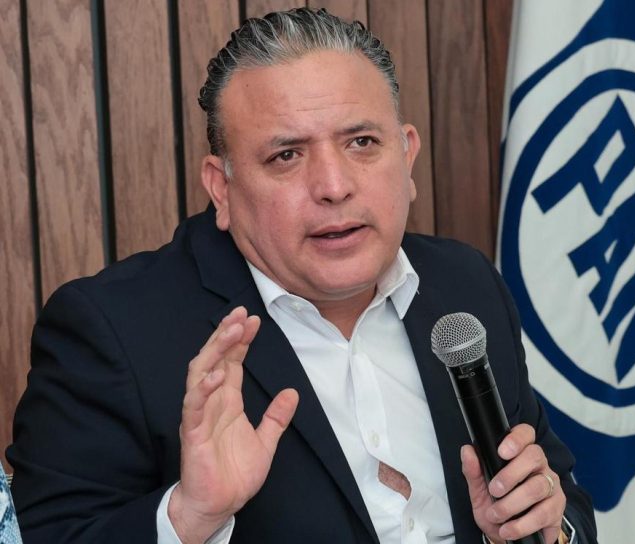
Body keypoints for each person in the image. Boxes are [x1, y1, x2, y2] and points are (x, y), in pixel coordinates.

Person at [7, 8, 596, 544]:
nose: (334, 186)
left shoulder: (463, 285)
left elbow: (560, 494)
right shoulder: (113, 330)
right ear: (221, 188)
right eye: (286, 155)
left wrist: (546, 530)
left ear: (407, 156)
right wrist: (189, 518)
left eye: (362, 142)